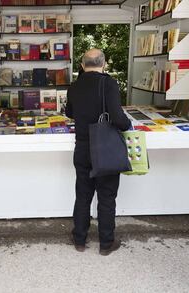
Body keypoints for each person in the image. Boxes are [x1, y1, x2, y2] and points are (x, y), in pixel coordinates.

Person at [65, 49, 131, 256]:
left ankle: (79, 240)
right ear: (103, 64)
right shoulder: (109, 83)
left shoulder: (74, 86)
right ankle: (106, 243)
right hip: (105, 148)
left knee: (83, 195)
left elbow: (70, 113)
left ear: (83, 66)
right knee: (107, 197)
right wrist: (127, 124)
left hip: (83, 148)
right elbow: (118, 118)